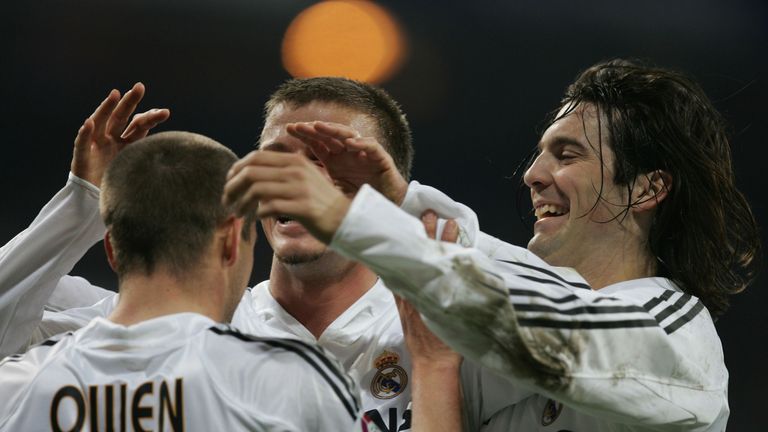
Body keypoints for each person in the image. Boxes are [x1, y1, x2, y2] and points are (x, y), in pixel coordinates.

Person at [223, 58, 761, 430]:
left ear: (648, 188)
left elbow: (555, 331)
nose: (531, 175)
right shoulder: (492, 363)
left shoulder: (675, 334)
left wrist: (362, 221)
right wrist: (399, 204)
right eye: (540, 154)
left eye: (568, 155)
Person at [0, 78, 467, 432]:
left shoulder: (445, 333)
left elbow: (541, 297)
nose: (297, 180)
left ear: (385, 183)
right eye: (278, 157)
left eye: (333, 160)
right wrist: (83, 204)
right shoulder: (165, 324)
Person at [0, 123, 362, 430]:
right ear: (232, 240)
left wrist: (79, 205)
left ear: (111, 248)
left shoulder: (18, 384)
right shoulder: (291, 381)